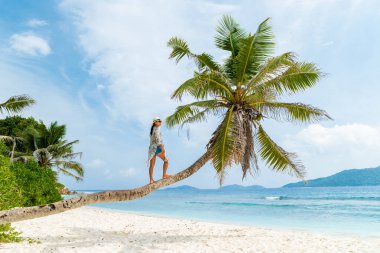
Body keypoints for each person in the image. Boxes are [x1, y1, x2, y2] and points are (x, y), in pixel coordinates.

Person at [148, 117, 171, 184]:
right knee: (166, 160)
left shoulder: (152, 129)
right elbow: (158, 139)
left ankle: (151, 180)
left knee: (152, 165)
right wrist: (162, 147)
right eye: (158, 121)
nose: (160, 122)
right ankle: (164, 175)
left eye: (160, 121)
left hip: (152, 148)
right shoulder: (157, 129)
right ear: (155, 123)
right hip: (157, 148)